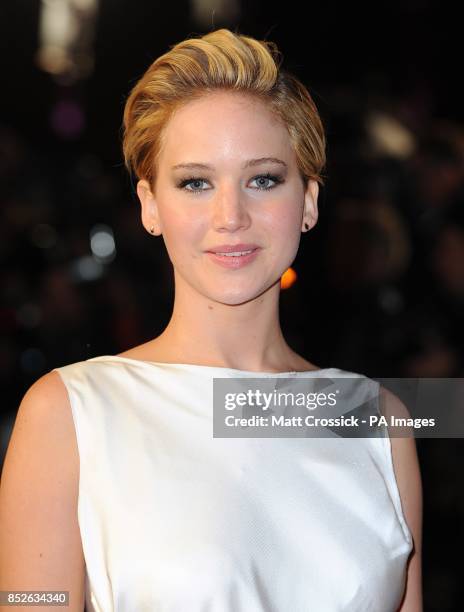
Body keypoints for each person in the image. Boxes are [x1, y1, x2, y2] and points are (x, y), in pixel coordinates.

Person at [0, 28, 422, 611]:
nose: (230, 216)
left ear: (308, 202)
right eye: (195, 182)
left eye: (263, 180)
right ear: (150, 205)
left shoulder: (378, 421)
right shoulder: (68, 413)